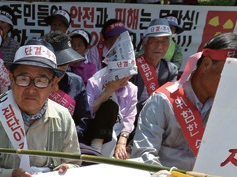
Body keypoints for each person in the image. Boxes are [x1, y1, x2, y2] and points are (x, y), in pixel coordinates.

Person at [0, 43, 80, 177]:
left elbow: (74, 163)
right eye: (23, 79)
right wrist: (11, 175)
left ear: (53, 84)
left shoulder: (63, 117)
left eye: (41, 81)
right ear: (11, 79)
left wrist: (68, 169)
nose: (31, 89)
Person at [132, 33, 237, 171]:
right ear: (206, 64)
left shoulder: (228, 106)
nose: (234, 84)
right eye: (229, 75)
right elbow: (142, 156)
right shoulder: (163, 101)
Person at [85, 31, 138, 159]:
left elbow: (129, 118)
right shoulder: (95, 82)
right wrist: (107, 92)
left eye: (129, 75)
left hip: (119, 134)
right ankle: (95, 150)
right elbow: (88, 111)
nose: (126, 79)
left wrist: (122, 142)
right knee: (110, 106)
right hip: (95, 133)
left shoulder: (132, 89)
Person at [40, 32, 91, 142]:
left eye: (65, 62)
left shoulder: (76, 83)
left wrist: (69, 137)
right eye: (57, 63)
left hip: (68, 142)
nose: (62, 67)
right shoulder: (33, 83)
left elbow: (83, 118)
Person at [131, 19, 178, 113]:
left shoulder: (170, 70)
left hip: (158, 120)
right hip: (133, 119)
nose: (159, 46)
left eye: (164, 42)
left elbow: (170, 100)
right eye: (154, 41)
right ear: (144, 43)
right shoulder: (131, 67)